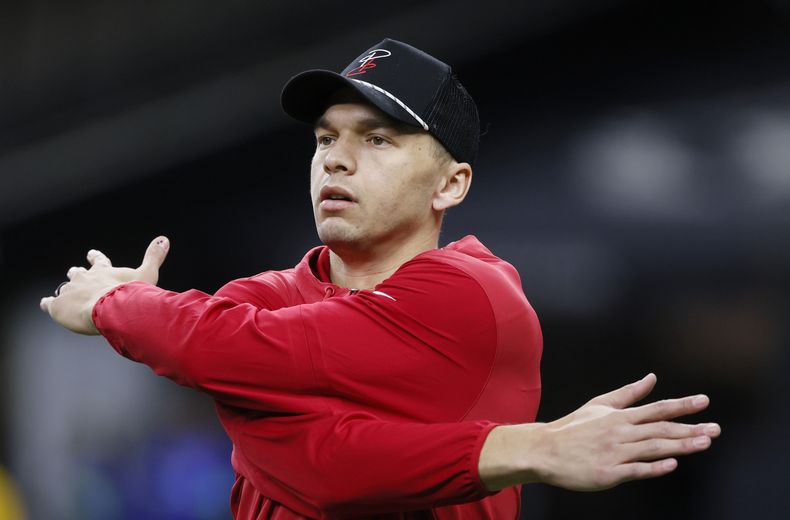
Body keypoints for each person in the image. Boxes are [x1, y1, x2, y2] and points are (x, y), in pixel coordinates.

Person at [40, 38, 720, 519]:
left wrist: (117, 304)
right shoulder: (252, 302)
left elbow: (329, 474)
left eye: (378, 139)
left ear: (451, 184)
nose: (336, 160)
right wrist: (528, 449)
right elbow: (316, 464)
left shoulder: (476, 297)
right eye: (325, 138)